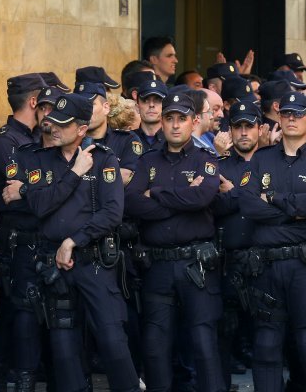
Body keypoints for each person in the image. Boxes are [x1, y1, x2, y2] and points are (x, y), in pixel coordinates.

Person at [24, 93, 139, 392]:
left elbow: (112, 213)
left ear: (82, 130)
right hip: (56, 267)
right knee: (64, 349)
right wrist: (74, 173)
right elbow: (39, 205)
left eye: (63, 124)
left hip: (94, 261)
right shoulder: (40, 161)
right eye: (53, 123)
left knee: (112, 339)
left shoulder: (104, 159)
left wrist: (74, 240)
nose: (54, 129)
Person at [235, 92, 306, 392]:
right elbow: (248, 205)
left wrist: (274, 199)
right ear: (278, 118)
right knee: (266, 343)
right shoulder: (261, 158)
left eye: (298, 114)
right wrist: (297, 209)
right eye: (286, 114)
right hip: (267, 266)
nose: (291, 119)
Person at [125, 93, 225, 392]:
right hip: (157, 265)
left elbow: (203, 197)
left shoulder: (205, 159)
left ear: (194, 121)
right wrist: (183, 194)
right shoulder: (147, 160)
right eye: (169, 118)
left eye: (182, 118)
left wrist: (155, 193)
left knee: (203, 341)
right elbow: (131, 203)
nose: (175, 125)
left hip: (196, 264)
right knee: (155, 345)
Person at [0, 73, 47, 392]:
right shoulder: (6, 141)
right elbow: (16, 194)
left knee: (27, 310)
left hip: (38, 238)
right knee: (16, 309)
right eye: (46, 102)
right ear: (34, 102)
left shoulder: (39, 137)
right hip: (16, 239)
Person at [213, 101, 262, 390]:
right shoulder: (218, 165)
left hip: (265, 257)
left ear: (260, 128)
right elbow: (209, 206)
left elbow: (279, 202)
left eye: (249, 126)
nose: (243, 132)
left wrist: (234, 193)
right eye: (238, 126)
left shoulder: (271, 161)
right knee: (224, 333)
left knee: (267, 335)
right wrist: (248, 196)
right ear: (230, 131)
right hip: (227, 258)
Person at [75, 82, 141, 185]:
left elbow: (127, 176)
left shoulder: (126, 139)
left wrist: (81, 173)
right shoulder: (70, 140)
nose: (84, 110)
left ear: (106, 108)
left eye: (90, 104)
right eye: (79, 105)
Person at [133, 79, 168, 151]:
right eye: (145, 100)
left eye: (158, 100)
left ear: (167, 107)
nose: (151, 105)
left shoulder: (174, 140)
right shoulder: (126, 140)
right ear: (137, 107)